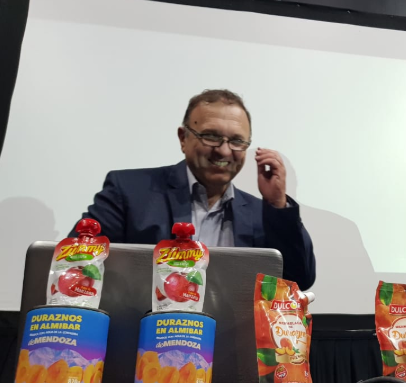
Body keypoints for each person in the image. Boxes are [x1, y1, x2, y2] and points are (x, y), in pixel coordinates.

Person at [72, 89, 315, 290]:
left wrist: (277, 204)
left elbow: (298, 280)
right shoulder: (128, 191)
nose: (224, 150)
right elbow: (74, 263)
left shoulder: (263, 214)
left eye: (236, 141)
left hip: (231, 334)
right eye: (211, 136)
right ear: (183, 138)